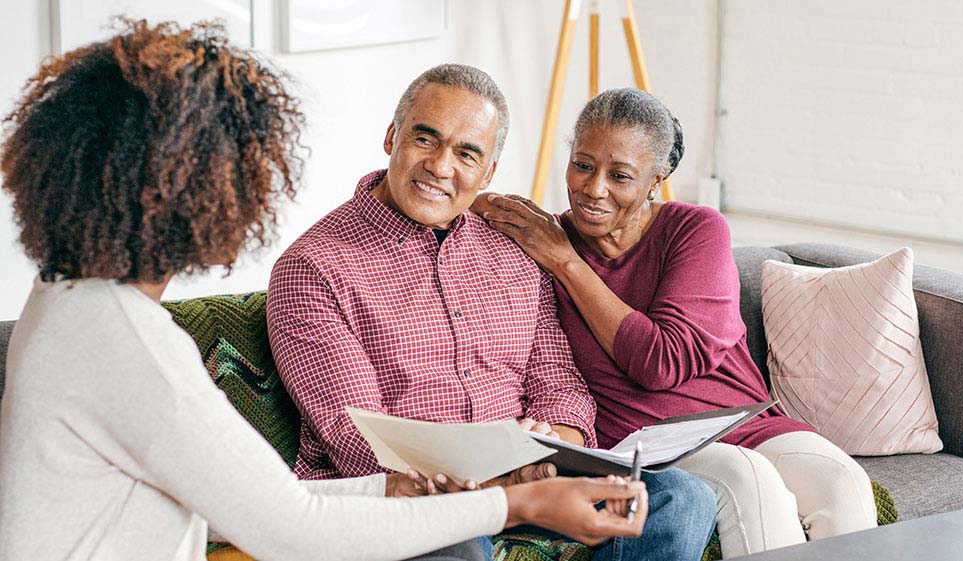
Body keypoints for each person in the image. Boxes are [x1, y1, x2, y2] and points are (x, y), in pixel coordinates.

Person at [0, 21, 654, 561]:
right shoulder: (128, 344)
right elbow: (288, 525)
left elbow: (239, 511)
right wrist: (516, 501)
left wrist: (399, 493)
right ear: (193, 193)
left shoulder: (67, 302)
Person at [267, 65, 716, 561]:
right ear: (392, 136)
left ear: (489, 173)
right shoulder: (313, 268)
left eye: (466, 153)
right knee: (455, 542)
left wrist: (555, 443)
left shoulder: (513, 249)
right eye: (425, 138)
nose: (440, 166)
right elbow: (357, 440)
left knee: (680, 497)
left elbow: (559, 383)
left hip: (529, 478)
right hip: (416, 499)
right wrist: (511, 489)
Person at [474, 87, 878, 559]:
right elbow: (464, 205)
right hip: (643, 443)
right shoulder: (545, 240)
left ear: (656, 179)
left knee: (842, 484)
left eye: (620, 175)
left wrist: (568, 264)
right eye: (582, 165)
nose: (593, 188)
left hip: (740, 421)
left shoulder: (694, 230)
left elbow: (662, 361)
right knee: (750, 480)